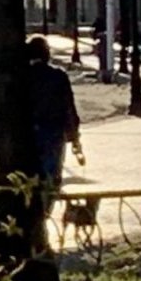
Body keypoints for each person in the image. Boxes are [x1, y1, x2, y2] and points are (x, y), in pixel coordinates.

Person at [27, 35, 85, 191]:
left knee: (31, 176)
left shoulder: (22, 77)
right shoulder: (58, 76)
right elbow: (68, 107)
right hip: (54, 132)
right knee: (52, 174)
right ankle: (48, 202)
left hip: (28, 132)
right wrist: (74, 136)